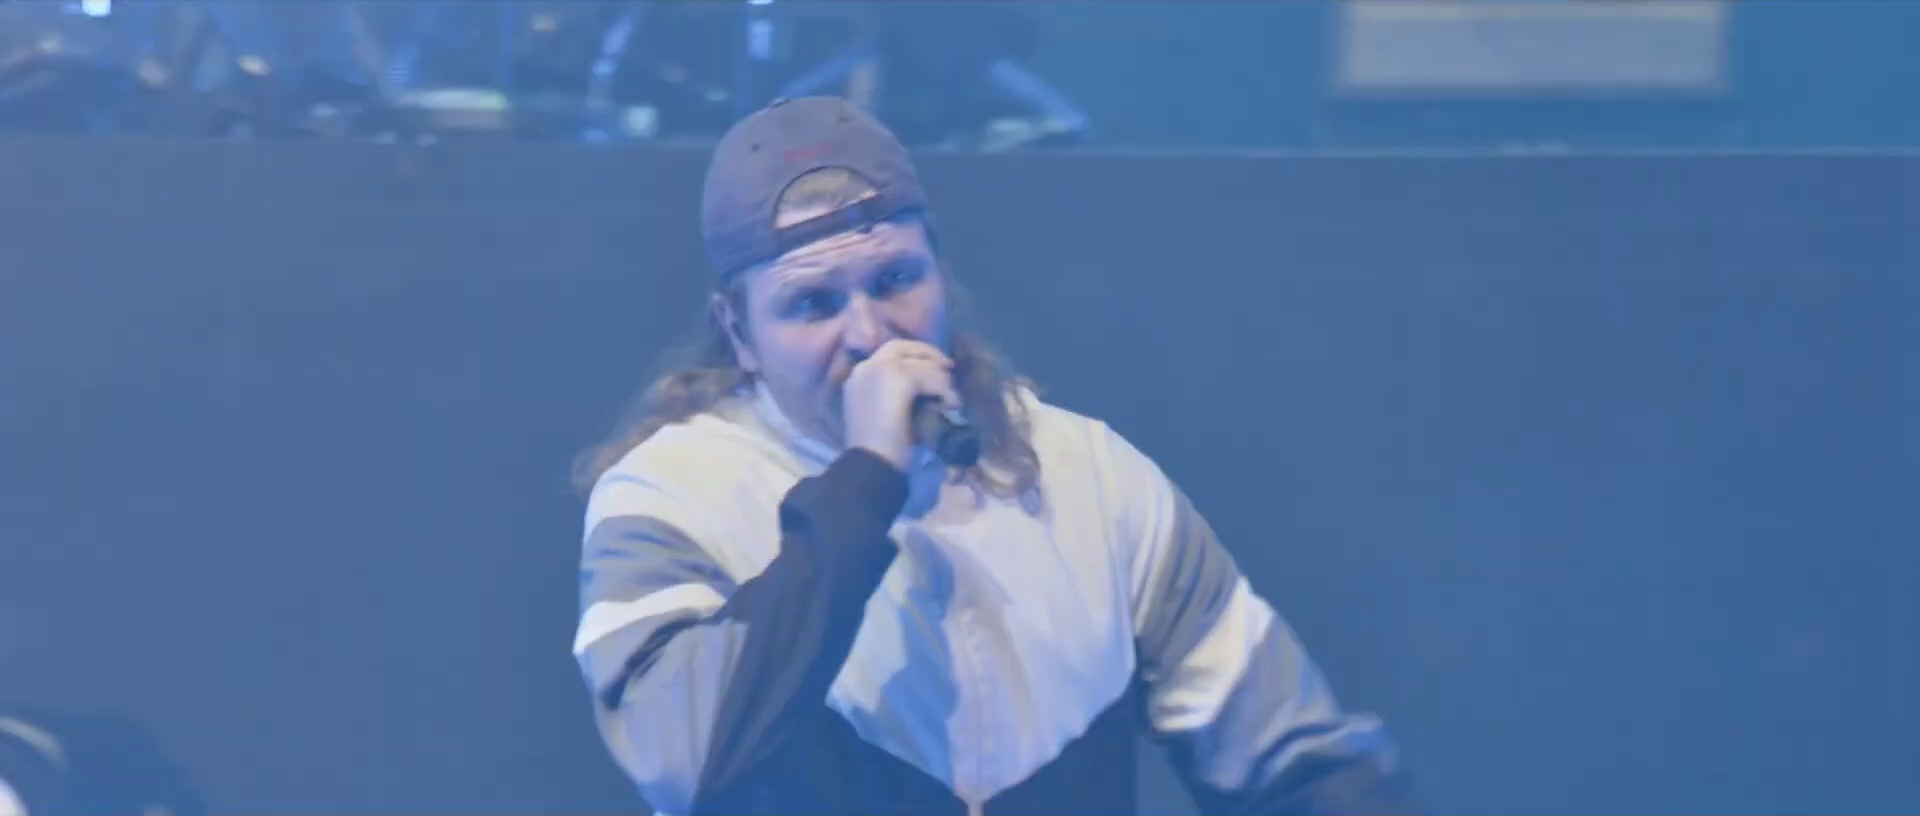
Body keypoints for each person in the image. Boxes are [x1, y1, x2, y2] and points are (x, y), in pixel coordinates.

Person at [571, 96, 1416, 816]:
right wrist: (863, 484)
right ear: (740, 334)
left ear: (940, 270)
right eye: (813, 304)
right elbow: (683, 752)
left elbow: (1292, 758)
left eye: (895, 281)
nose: (869, 334)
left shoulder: (1090, 474)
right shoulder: (667, 497)